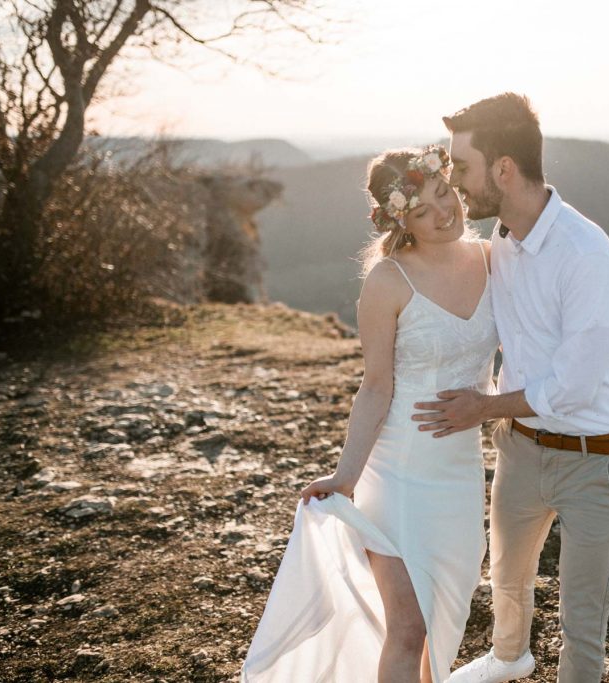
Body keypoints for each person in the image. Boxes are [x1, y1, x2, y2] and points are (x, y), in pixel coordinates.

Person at [240, 144, 499, 683]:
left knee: (441, 622)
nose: (443, 213)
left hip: (460, 475)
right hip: (400, 474)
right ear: (400, 220)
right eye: (422, 210)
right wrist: (345, 477)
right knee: (406, 628)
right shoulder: (388, 281)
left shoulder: (493, 260)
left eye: (444, 195)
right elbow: (376, 386)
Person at [412, 93, 609, 683]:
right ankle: (509, 659)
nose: (456, 184)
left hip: (600, 460)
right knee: (507, 581)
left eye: (462, 170)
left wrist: (483, 407)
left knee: (583, 615)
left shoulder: (585, 253)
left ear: (504, 169)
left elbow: (573, 387)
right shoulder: (501, 244)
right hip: (521, 450)